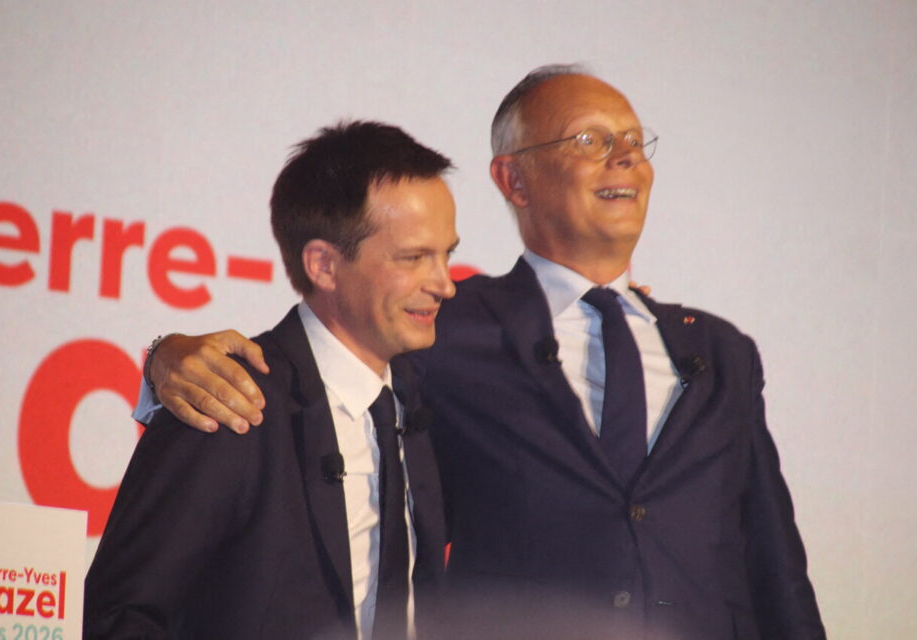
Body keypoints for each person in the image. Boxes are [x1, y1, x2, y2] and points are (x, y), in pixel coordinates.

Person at [138, 66, 825, 639]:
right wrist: (163, 356)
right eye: (590, 139)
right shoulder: (442, 330)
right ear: (513, 180)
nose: (624, 157)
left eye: (634, 141)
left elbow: (775, 566)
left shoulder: (720, 352)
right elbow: (318, 378)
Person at [85, 121, 458, 640]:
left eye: (447, 254)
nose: (444, 284)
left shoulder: (431, 397)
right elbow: (121, 614)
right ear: (324, 265)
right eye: (414, 258)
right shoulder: (230, 401)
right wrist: (160, 356)